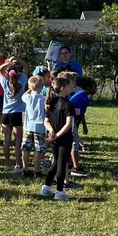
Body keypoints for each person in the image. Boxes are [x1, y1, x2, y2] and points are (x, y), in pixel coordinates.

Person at [40, 73, 74, 201]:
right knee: (61, 163)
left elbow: (46, 121)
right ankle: (59, 191)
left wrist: (52, 132)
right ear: (63, 87)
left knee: (55, 162)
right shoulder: (67, 104)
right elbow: (68, 124)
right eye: (69, 86)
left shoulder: (51, 102)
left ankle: (46, 187)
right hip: (64, 139)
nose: (71, 88)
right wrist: (58, 135)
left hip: (54, 138)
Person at [0, 57, 27, 172]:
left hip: (5, 114)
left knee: (7, 140)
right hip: (17, 114)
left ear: (7, 73)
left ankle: (7, 163)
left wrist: (7, 63)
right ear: (17, 72)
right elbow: (26, 67)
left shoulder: (5, 82)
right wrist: (18, 60)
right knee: (18, 141)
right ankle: (18, 165)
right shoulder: (21, 81)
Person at [69, 76, 97, 173]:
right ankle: (76, 167)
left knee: (72, 142)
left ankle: (70, 162)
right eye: (94, 86)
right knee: (74, 144)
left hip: (71, 120)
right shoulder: (83, 98)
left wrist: (84, 125)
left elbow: (81, 114)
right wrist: (76, 126)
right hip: (70, 121)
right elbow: (77, 113)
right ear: (88, 88)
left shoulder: (82, 95)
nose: (96, 88)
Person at [20, 75, 47, 176]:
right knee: (38, 150)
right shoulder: (43, 99)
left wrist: (29, 90)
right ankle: (37, 170)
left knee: (26, 148)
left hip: (28, 127)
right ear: (42, 86)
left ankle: (25, 169)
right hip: (40, 128)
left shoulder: (27, 97)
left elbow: (22, 96)